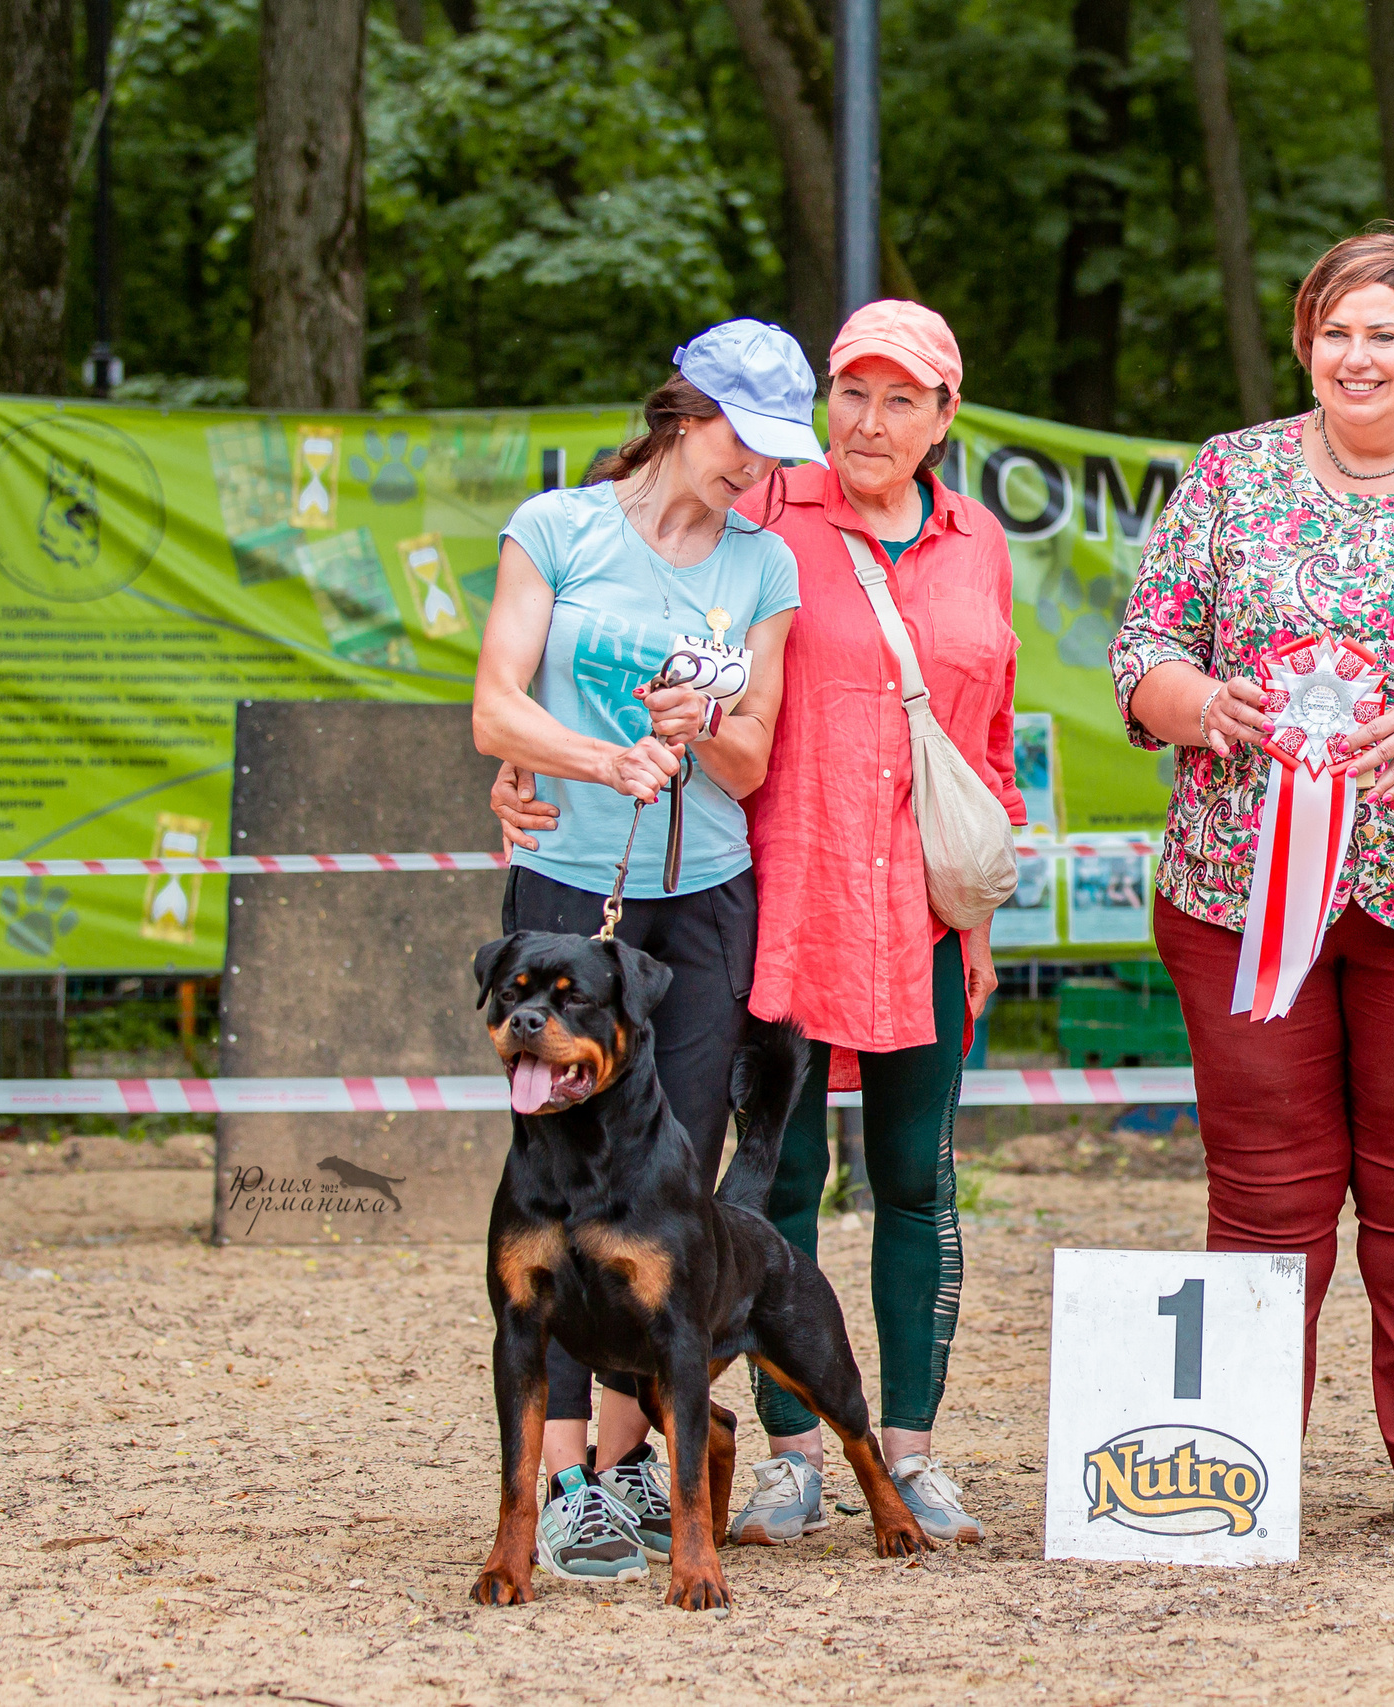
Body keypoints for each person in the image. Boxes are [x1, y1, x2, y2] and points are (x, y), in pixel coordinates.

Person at [492, 301, 1019, 1551]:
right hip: (740, 889)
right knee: (728, 1178)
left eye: (904, 400)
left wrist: (982, 913)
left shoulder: (929, 542)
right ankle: (721, 1466)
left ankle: (882, 1448)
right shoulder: (733, 517)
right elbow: (534, 688)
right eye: (852, 395)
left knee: (869, 1177)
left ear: (947, 420)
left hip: (874, 902)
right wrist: (548, 764)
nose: (862, 426)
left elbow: (959, 745)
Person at [1110, 228, 1394, 1532]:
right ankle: (1239, 1447)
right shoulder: (1223, 478)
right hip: (1236, 888)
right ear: (1309, 344)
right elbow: (1142, 652)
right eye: (1335, 330)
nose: (1356, 353)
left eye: (1385, 332)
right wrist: (1210, 702)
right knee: (1263, 1177)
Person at [471, 319, 811, 1583]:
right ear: (683, 415)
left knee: (669, 1185)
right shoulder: (556, 527)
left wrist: (705, 719)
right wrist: (596, 758)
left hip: (705, 892)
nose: (754, 472)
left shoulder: (764, 564)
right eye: (741, 442)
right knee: (552, 1177)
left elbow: (754, 755)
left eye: (775, 453)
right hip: (570, 884)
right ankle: (558, 1479)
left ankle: (620, 1478)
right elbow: (495, 702)